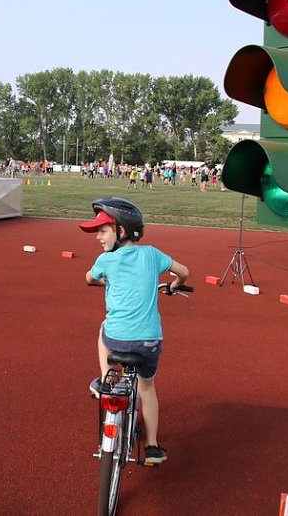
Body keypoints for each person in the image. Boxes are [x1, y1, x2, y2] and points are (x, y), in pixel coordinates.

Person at [80, 197, 189, 465]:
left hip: (116, 339)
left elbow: (88, 279)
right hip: (149, 341)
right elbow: (184, 271)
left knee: (104, 327)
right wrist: (175, 285)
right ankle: (152, 445)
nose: (98, 237)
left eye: (103, 231)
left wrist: (104, 280)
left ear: (121, 231)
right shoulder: (152, 254)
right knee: (147, 388)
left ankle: (106, 380)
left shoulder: (106, 260)